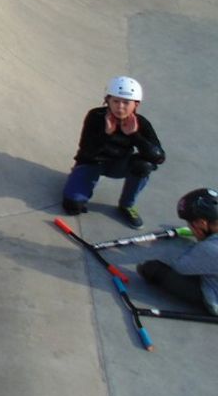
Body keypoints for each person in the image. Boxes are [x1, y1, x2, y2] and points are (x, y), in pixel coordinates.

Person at [61, 76, 166, 228]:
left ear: (136, 104)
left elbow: (159, 157)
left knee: (144, 165)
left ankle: (127, 205)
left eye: (126, 103)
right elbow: (86, 150)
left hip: (120, 164)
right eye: (116, 101)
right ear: (107, 100)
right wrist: (106, 134)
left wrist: (135, 135)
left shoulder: (141, 123)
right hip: (93, 162)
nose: (120, 107)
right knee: (72, 207)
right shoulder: (95, 116)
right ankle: (77, 180)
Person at [137, 188, 218, 316]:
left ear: (202, 223)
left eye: (190, 224)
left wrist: (199, 244)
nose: (189, 227)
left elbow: (180, 267)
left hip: (214, 300)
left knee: (152, 269)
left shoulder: (209, 249)